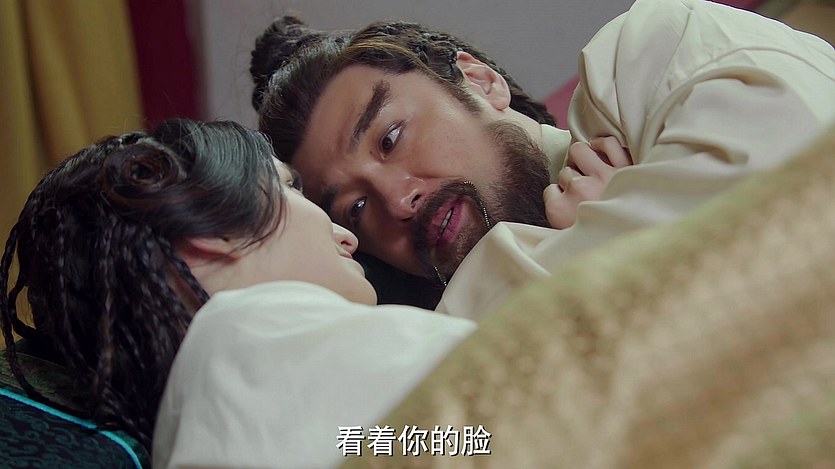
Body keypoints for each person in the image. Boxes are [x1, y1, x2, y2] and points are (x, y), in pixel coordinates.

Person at [251, 0, 835, 315]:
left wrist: (605, 233)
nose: (398, 200)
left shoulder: (646, 54)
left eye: (390, 138)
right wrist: (600, 240)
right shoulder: (424, 349)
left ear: (480, 82)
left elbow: (797, 200)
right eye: (355, 209)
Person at [0, 118, 475, 467]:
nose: (348, 237)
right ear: (205, 227)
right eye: (289, 188)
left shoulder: (191, 421)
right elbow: (490, 419)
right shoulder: (257, 333)